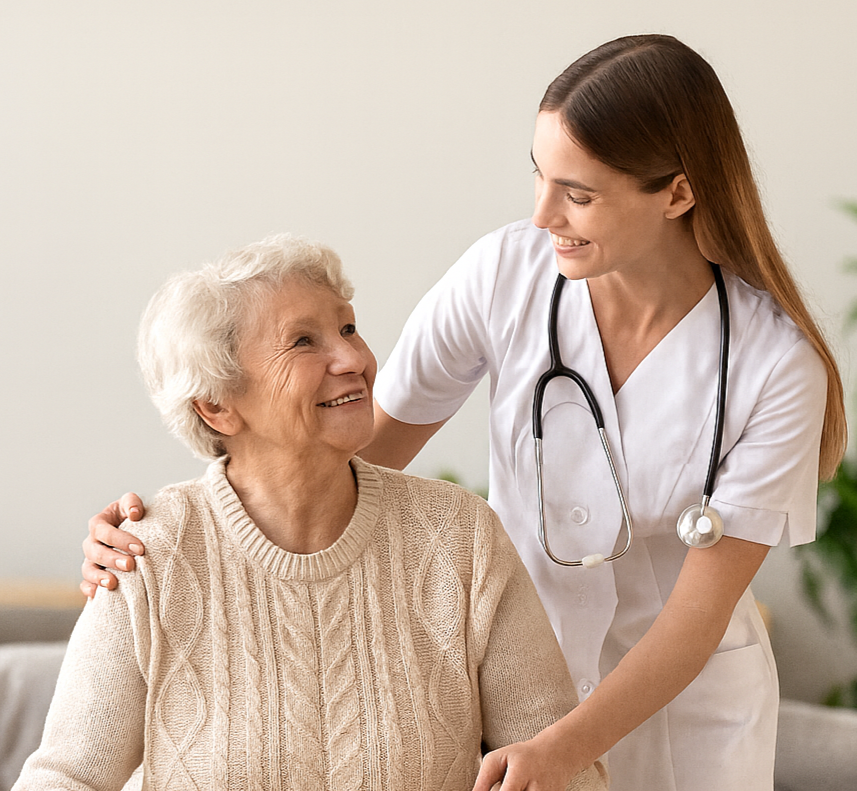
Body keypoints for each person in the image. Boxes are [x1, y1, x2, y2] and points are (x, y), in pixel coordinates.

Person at [81, 35, 844, 791]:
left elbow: (696, 619)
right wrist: (170, 539)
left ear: (676, 193)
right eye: (541, 177)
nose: (544, 214)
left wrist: (559, 748)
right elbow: (348, 452)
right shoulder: (504, 275)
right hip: (520, 687)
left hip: (689, 713)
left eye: (578, 194)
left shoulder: (778, 367)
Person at [14, 236, 607, 790]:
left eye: (349, 328)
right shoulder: (149, 555)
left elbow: (564, 768)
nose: (352, 357)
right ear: (218, 405)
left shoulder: (459, 539)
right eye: (304, 341)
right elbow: (67, 776)